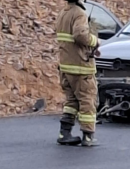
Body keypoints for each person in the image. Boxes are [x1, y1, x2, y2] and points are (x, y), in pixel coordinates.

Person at [55, 0, 101, 147]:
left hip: (66, 66)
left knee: (71, 100)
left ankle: (64, 133)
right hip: (81, 68)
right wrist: (95, 41)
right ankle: (88, 136)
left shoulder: (64, 12)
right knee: (87, 99)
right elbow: (80, 35)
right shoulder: (79, 13)